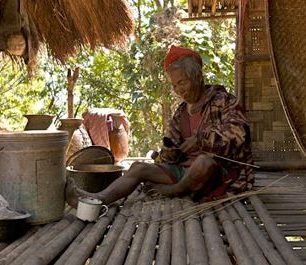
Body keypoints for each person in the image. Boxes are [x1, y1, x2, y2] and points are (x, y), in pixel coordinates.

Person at [65, 45, 255, 208]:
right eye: (174, 85)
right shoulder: (181, 112)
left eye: (182, 82)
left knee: (203, 162)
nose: (178, 90)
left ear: (198, 77)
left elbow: (240, 136)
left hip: (217, 173)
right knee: (138, 167)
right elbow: (169, 151)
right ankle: (99, 198)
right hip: (183, 172)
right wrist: (171, 151)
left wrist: (201, 141)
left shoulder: (225, 101)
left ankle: (173, 191)